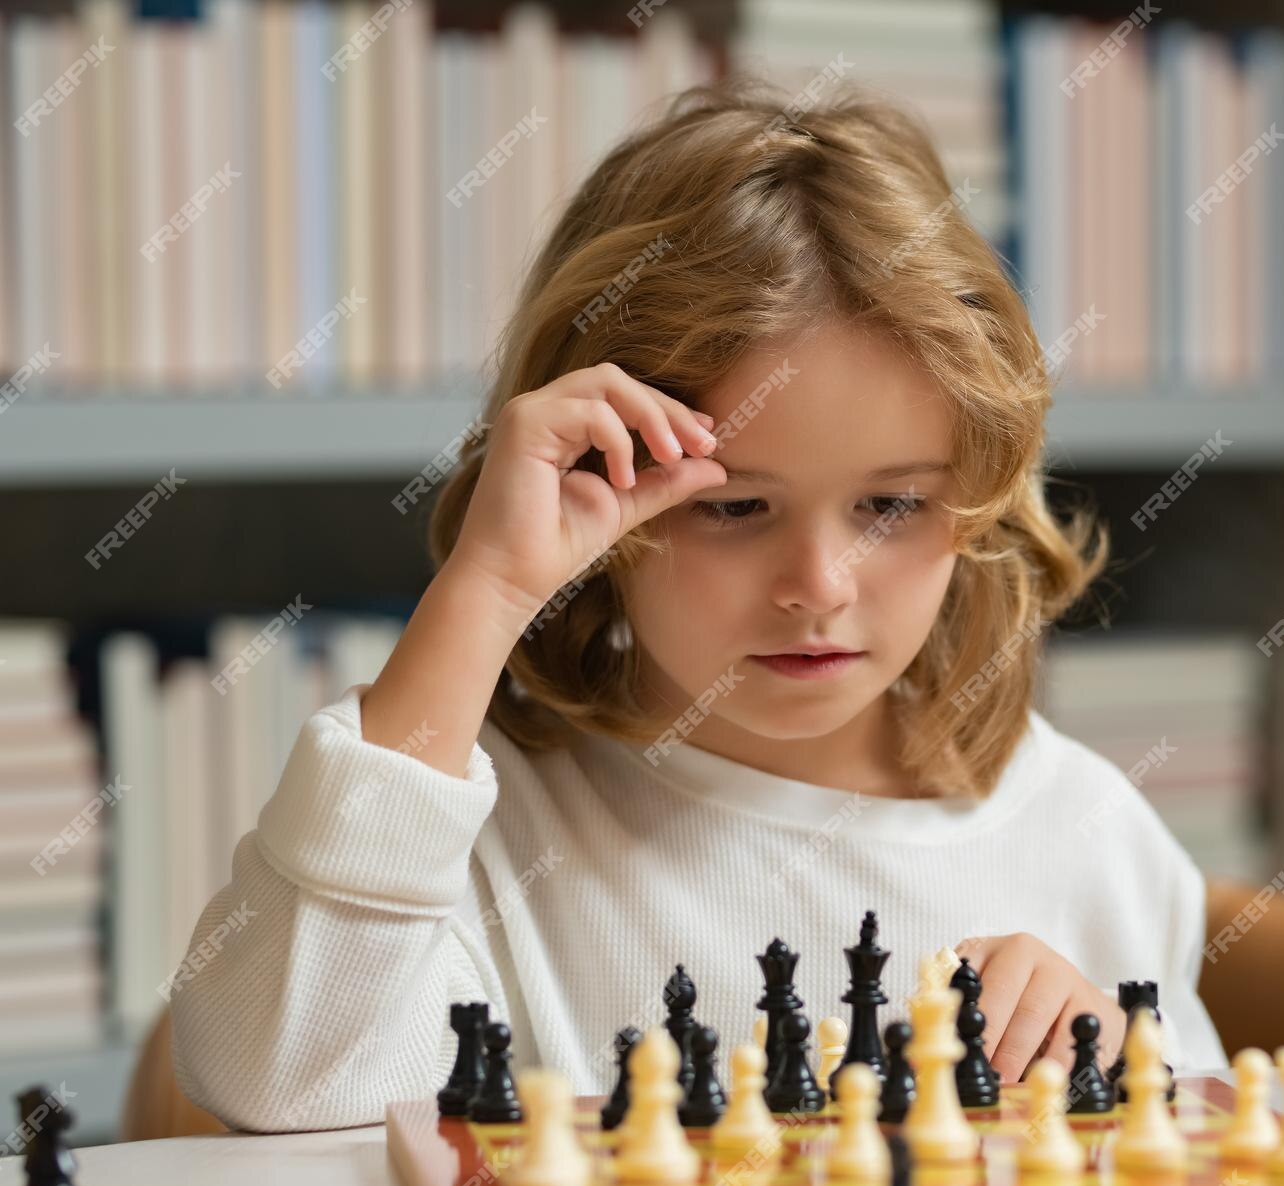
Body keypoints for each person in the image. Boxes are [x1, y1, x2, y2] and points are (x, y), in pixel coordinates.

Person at [172, 76, 1226, 1132]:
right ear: (597, 489)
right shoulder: (487, 824)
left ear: (981, 499)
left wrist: (1112, 1067)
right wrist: (487, 588)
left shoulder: (1089, 836)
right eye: (734, 507)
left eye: (893, 503)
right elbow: (281, 1078)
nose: (818, 585)